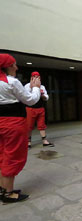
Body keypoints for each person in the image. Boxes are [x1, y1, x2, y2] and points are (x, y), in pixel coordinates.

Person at [0, 54, 41, 203]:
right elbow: (30, 100)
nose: (16, 67)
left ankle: (3, 188)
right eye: (14, 65)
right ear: (7, 67)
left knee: (2, 154)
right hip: (13, 123)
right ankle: (8, 193)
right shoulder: (11, 82)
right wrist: (36, 88)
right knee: (12, 156)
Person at [25, 71, 54, 149]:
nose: (37, 78)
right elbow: (24, 96)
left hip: (40, 108)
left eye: (38, 77)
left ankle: (44, 141)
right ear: (31, 78)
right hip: (30, 108)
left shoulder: (42, 86)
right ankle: (28, 142)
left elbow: (46, 96)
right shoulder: (27, 86)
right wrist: (31, 87)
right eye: (35, 77)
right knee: (29, 126)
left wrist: (44, 96)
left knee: (42, 125)